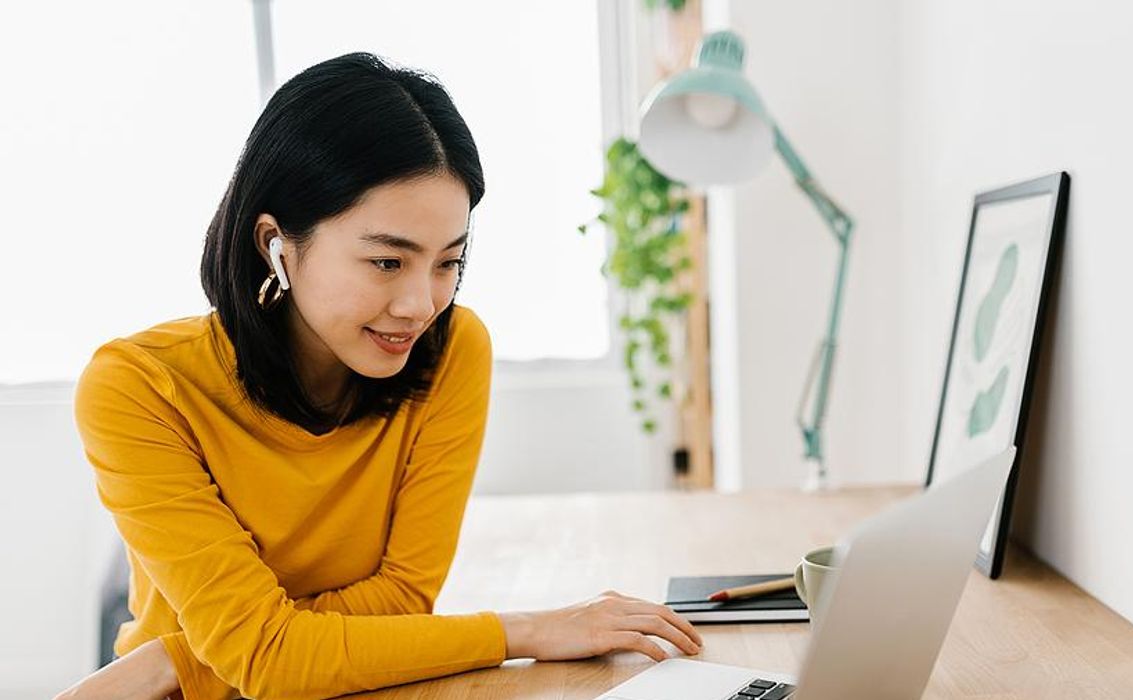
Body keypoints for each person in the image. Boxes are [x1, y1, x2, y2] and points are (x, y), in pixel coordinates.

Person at [56, 52, 702, 700]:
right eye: (387, 262)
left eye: (448, 262)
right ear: (275, 244)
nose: (421, 305)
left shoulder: (452, 348)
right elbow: (265, 658)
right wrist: (526, 631)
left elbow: (400, 598)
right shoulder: (139, 387)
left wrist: (183, 662)